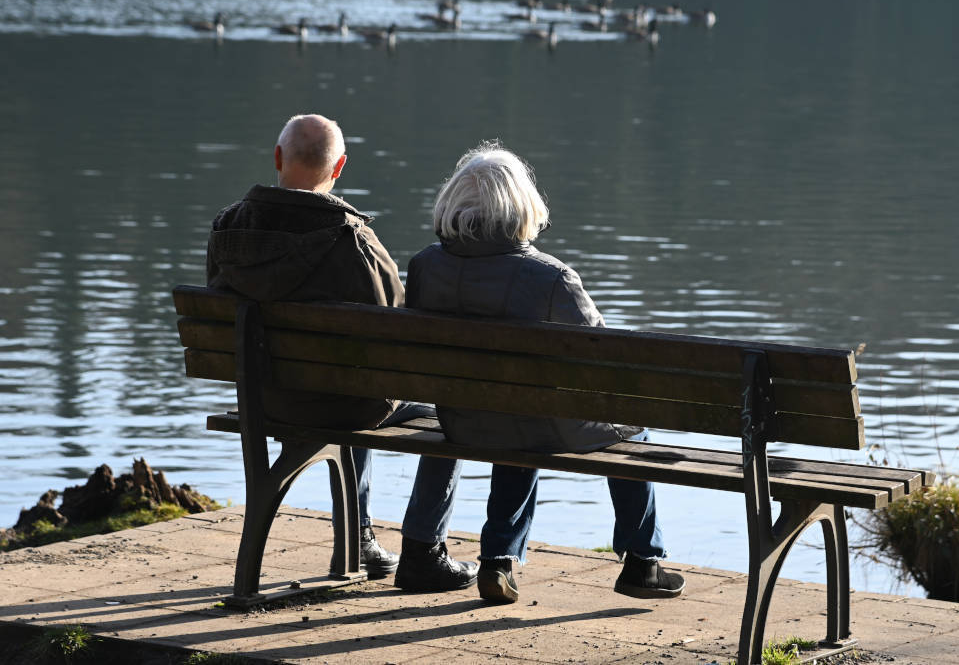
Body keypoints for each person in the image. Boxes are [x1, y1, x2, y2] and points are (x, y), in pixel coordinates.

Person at [404, 141, 686, 604]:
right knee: (630, 429)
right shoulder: (552, 277)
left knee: (517, 420)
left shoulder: (424, 266)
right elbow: (604, 362)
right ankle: (642, 562)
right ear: (521, 204)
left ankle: (499, 561)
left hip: (465, 417)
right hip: (537, 420)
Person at [206, 114, 476, 591]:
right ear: (341, 166)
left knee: (354, 383)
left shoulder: (228, 227)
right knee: (444, 411)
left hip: (262, 399)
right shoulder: (352, 238)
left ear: (277, 158)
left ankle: (363, 536)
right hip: (341, 400)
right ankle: (422, 549)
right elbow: (398, 330)